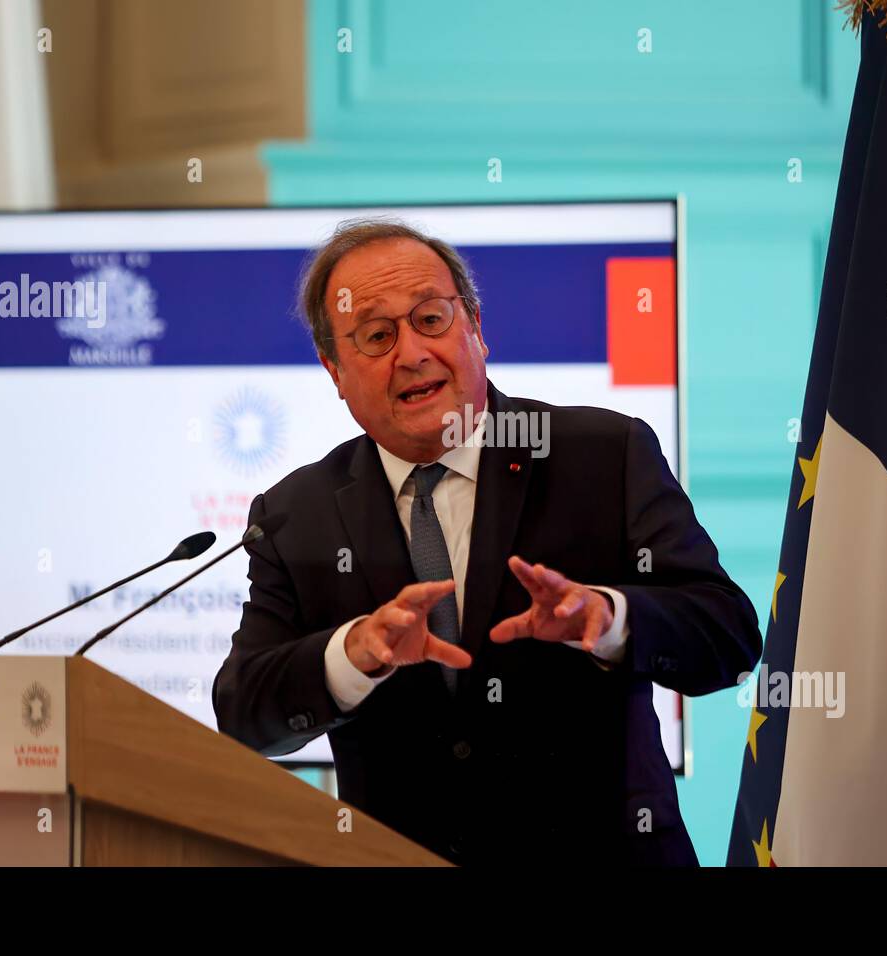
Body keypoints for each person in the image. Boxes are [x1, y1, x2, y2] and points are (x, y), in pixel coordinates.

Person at [213, 217, 762, 865]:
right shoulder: (294, 515)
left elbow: (727, 638)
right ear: (334, 368)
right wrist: (353, 653)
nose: (412, 352)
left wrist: (608, 619)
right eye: (377, 336)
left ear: (476, 329)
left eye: (431, 320)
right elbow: (246, 714)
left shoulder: (601, 454)